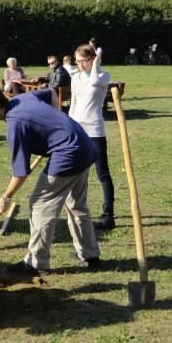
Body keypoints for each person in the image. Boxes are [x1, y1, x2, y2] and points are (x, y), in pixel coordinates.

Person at [0, 85, 100, 274]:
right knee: (77, 205)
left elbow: (20, 173)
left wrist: (5, 197)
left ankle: (36, 263)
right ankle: (89, 254)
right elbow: (50, 92)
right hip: (83, 145)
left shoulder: (15, 125)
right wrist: (57, 121)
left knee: (40, 205)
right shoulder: (22, 99)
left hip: (68, 154)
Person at [69, 44, 116, 231]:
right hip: (78, 129)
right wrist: (69, 125)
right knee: (78, 172)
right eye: (77, 61)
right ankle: (80, 210)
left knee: (102, 172)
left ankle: (108, 215)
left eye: (84, 60)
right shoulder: (76, 78)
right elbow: (74, 103)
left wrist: (97, 62)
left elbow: (95, 82)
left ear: (92, 59)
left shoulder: (103, 75)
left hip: (95, 129)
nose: (80, 64)